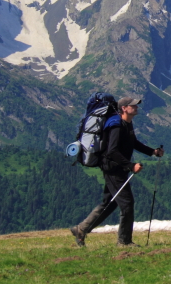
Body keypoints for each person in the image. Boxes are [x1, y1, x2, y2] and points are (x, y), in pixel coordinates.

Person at [70, 96, 164, 247]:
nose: (136, 107)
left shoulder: (127, 124)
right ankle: (124, 242)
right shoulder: (116, 125)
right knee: (127, 203)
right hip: (113, 169)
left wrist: (153, 152)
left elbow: (133, 143)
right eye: (133, 105)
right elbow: (112, 151)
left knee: (109, 203)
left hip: (117, 168)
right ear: (124, 108)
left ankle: (81, 229)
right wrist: (130, 165)